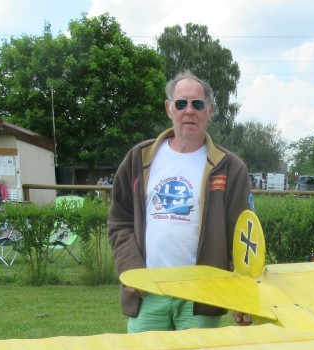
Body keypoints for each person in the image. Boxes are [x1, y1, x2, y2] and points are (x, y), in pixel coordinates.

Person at [108, 71, 254, 336]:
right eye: (181, 103)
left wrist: (243, 294)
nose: (189, 111)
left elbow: (243, 237)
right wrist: (131, 270)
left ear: (209, 110)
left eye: (197, 104)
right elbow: (120, 221)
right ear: (169, 108)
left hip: (201, 297)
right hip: (148, 291)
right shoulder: (138, 159)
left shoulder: (231, 167)